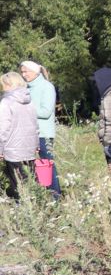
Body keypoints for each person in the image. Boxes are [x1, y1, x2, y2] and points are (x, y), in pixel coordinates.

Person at [19, 59, 60, 199]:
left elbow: (46, 112)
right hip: (29, 134)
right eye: (22, 72)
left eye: (26, 71)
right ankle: (37, 197)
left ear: (35, 72)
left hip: (44, 134)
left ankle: (55, 197)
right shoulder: (26, 89)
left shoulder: (47, 87)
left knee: (47, 166)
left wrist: (26, 109)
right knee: (30, 167)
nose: (24, 75)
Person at [0, 72, 38, 200]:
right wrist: (36, 144)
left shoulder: (6, 102)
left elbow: (2, 129)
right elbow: (35, 125)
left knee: (17, 183)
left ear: (9, 84)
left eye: (3, 85)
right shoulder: (29, 100)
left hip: (13, 149)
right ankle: (36, 205)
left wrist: (0, 149)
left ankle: (21, 209)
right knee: (30, 180)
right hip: (29, 148)